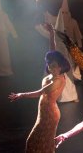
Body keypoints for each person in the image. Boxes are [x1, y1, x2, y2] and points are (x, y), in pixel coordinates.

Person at [8, 23, 70, 153]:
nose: (50, 68)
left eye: (53, 66)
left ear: (60, 67)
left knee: (38, 142)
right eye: (49, 65)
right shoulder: (53, 72)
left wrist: (21, 95)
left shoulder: (58, 80)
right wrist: (51, 34)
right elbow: (52, 51)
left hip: (49, 114)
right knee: (38, 143)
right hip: (43, 112)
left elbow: (41, 92)